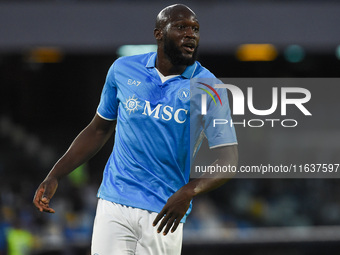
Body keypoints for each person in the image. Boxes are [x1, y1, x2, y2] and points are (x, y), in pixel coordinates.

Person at [33, 4, 238, 255]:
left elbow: (228, 158)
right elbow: (98, 129)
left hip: (163, 210)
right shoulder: (123, 70)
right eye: (181, 27)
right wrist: (55, 174)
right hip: (114, 201)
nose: (191, 34)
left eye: (195, 29)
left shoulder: (209, 87)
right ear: (159, 33)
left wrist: (188, 191)